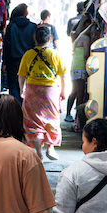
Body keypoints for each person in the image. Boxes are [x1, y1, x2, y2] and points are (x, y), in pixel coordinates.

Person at [19, 25, 66, 160]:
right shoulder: (55, 54)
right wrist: (63, 92)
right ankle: (50, 148)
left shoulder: (28, 54)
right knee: (52, 119)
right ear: (50, 39)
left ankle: (39, 150)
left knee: (33, 120)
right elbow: (62, 76)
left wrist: (22, 90)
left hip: (32, 90)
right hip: (50, 91)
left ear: (35, 38)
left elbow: (21, 75)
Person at [3, 4, 37, 102]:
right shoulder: (33, 26)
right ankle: (25, 109)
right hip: (29, 61)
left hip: (13, 61)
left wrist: (5, 62)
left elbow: (7, 45)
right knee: (27, 85)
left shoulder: (11, 26)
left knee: (13, 85)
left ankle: (15, 109)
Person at [65, 14, 93, 126]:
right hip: (81, 67)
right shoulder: (85, 38)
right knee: (79, 94)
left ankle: (69, 114)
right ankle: (78, 121)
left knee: (75, 91)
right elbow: (86, 54)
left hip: (75, 67)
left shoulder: (77, 37)